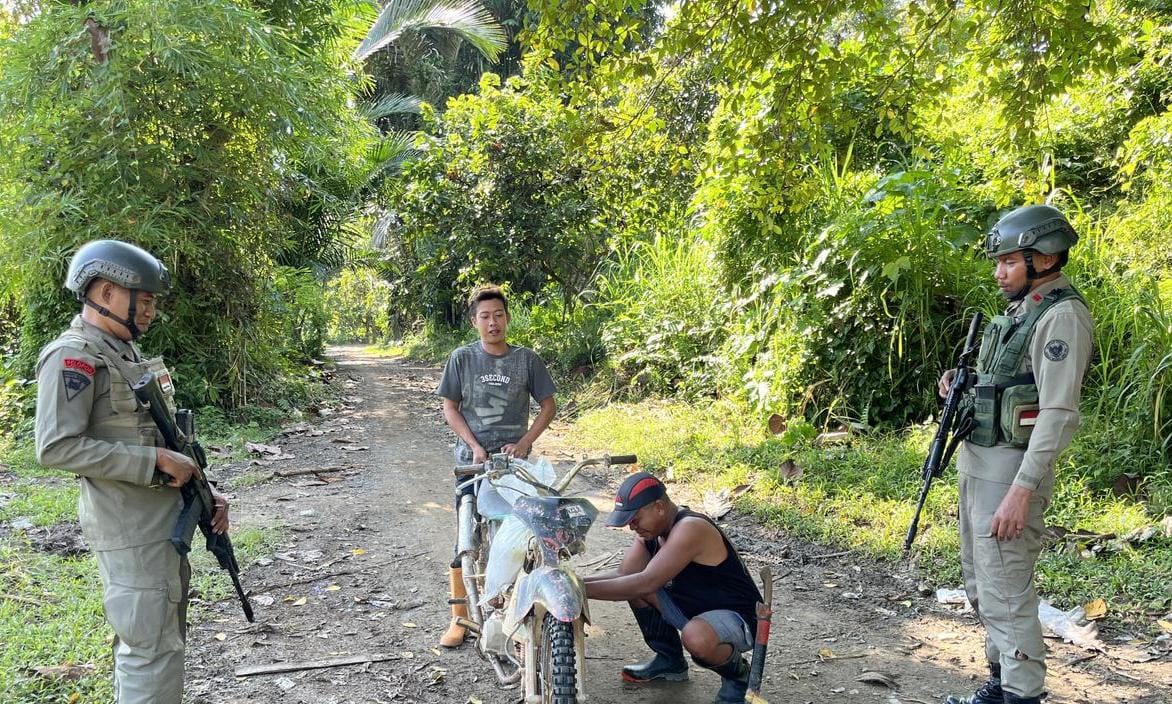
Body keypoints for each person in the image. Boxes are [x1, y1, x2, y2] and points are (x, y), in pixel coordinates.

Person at [34, 239, 231, 704]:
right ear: (106, 292)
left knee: (158, 642)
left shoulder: (123, 355)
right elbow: (56, 446)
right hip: (130, 528)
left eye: (152, 303)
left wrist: (206, 491)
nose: (150, 312)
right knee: (150, 650)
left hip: (159, 525)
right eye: (142, 301)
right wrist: (153, 462)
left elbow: (165, 438)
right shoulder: (74, 356)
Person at [938, 204, 1093, 704]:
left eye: (1009, 261)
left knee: (1005, 590)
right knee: (982, 585)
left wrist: (1021, 491)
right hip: (980, 464)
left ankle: (1021, 695)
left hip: (1010, 471)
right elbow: (1009, 385)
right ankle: (1000, 684)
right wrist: (961, 384)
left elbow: (1058, 413)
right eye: (998, 262)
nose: (999, 272)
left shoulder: (1062, 316)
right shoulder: (1021, 310)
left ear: (1044, 259)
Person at [434, 284, 557, 647]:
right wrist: (474, 446)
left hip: (512, 465)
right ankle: (459, 618)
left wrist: (525, 442)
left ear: (508, 318)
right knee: (466, 539)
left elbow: (548, 406)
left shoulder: (527, 360)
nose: (493, 323)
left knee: (521, 533)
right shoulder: (462, 359)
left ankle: (516, 612)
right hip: (471, 464)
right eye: (485, 317)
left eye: (499, 315)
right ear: (474, 321)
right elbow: (450, 407)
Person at [584, 472, 762, 704]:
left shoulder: (690, 528)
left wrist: (575, 590)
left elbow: (646, 582)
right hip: (695, 611)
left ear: (659, 507)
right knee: (633, 587)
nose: (632, 526)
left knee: (695, 637)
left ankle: (738, 678)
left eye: (635, 519)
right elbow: (624, 576)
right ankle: (670, 661)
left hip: (739, 619)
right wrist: (573, 582)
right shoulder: (651, 533)